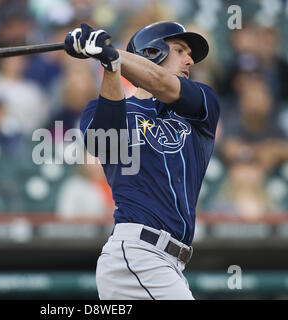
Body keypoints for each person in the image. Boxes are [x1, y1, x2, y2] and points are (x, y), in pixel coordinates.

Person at [64, 21, 220, 300]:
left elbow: (160, 82)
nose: (190, 60)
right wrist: (110, 65)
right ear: (152, 52)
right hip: (137, 254)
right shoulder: (99, 108)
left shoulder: (203, 103)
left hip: (168, 262)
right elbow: (104, 143)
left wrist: (109, 53)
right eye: (180, 50)